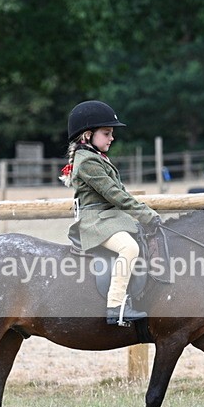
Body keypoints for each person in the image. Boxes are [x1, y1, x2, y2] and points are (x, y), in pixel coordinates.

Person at [62, 100, 161, 326]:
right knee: (129, 247)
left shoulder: (96, 156)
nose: (111, 138)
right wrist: (146, 215)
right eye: (107, 133)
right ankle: (116, 307)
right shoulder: (87, 161)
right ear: (87, 135)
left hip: (110, 218)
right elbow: (114, 194)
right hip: (95, 221)